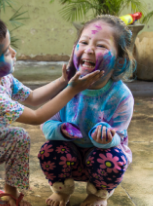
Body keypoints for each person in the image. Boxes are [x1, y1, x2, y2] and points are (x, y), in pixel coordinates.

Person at [0, 16, 104, 206]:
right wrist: (73, 89)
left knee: (19, 137)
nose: (14, 53)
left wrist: (62, 82)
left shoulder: (3, 78)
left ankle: (10, 194)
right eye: (7, 52)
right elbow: (36, 117)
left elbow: (33, 98)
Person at [38, 15, 135, 206]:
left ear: (119, 62)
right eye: (83, 42)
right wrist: (60, 130)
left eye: (101, 46)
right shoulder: (64, 87)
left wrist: (107, 139)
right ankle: (62, 190)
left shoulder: (121, 96)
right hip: (69, 153)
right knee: (49, 151)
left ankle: (98, 195)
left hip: (100, 159)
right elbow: (46, 124)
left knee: (115, 159)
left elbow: (120, 137)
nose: (89, 49)